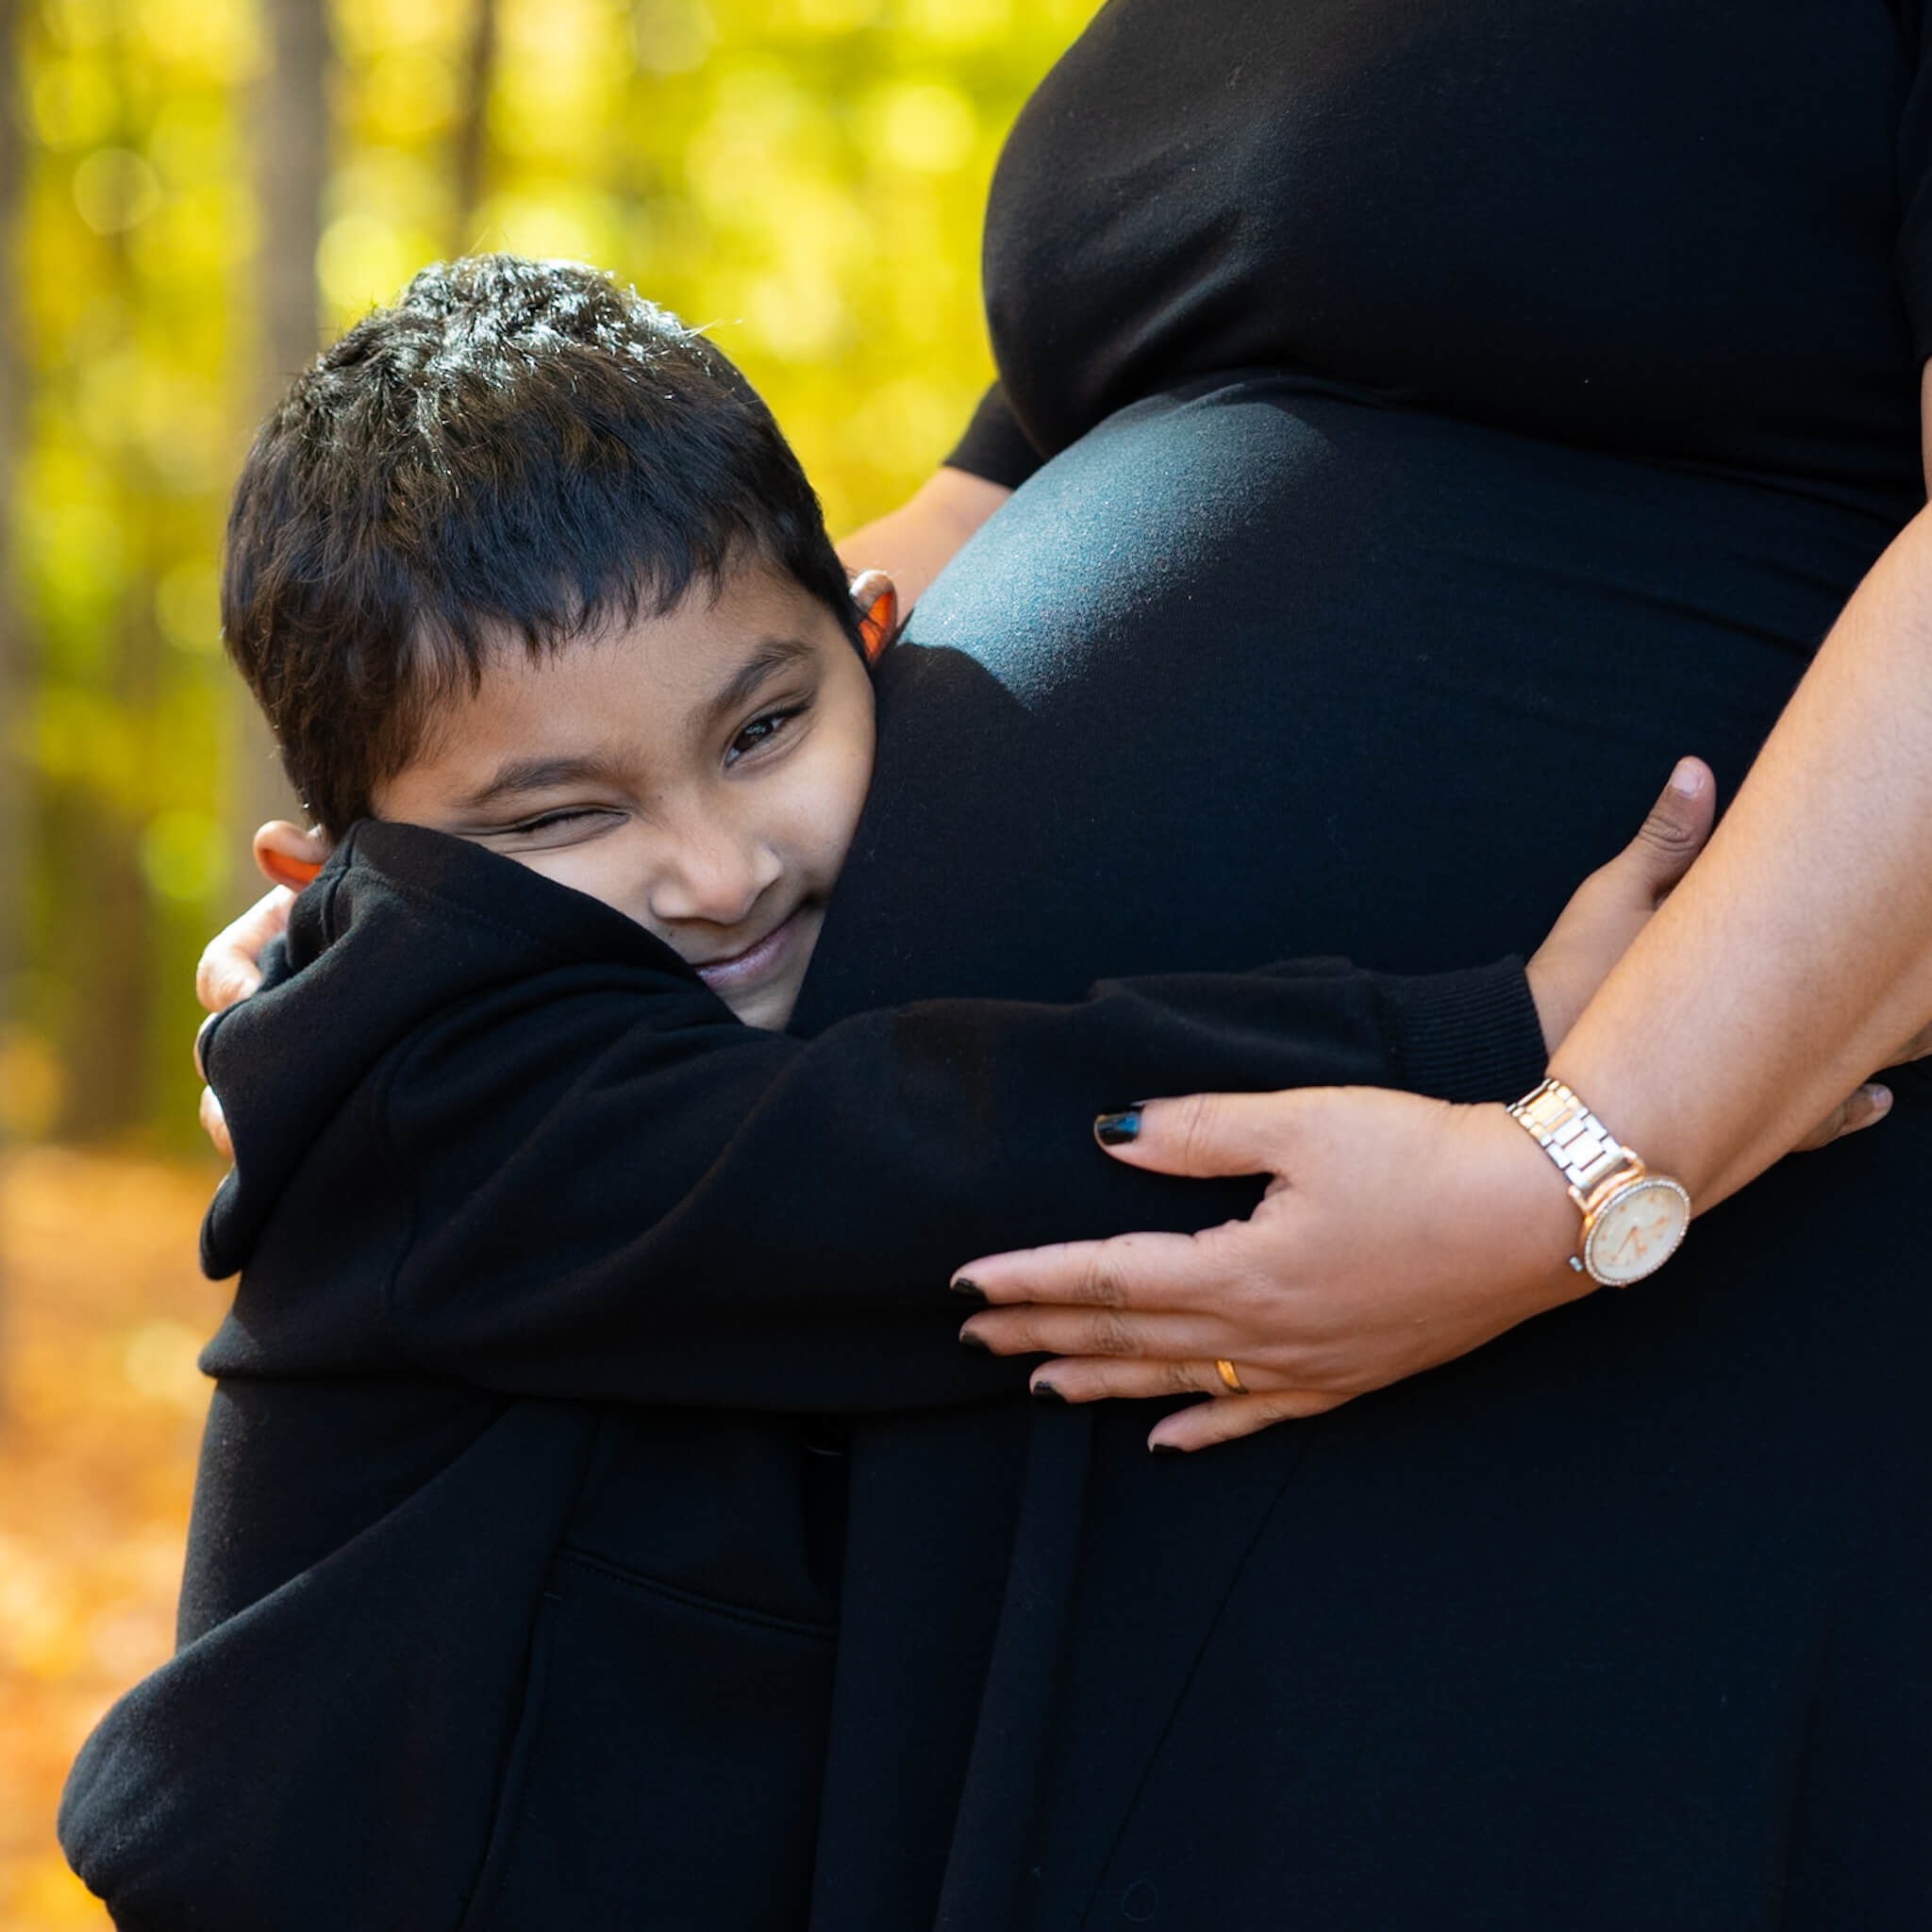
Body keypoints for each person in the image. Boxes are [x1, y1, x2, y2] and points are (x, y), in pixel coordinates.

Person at [183, 8, 1932, 1919]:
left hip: (1590, 1339)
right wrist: (407, 935)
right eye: (566, 814)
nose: (712, 861)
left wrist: (1575, 1148)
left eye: (759, 742)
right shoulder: (475, 1084)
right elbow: (870, 574)